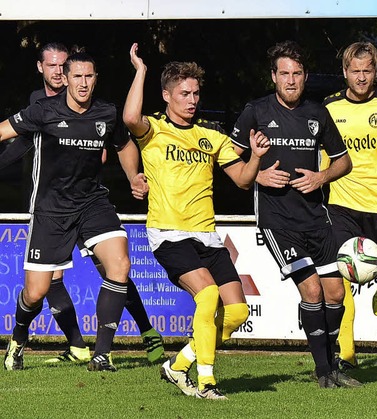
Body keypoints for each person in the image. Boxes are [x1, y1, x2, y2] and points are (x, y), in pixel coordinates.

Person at [0, 42, 164, 366]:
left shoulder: (106, 112)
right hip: (51, 210)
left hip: (92, 203)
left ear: (96, 78)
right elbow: (4, 131)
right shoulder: (44, 111)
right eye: (77, 76)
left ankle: (101, 354)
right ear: (66, 77)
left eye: (89, 76)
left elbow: (124, 144)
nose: (83, 83)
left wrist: (133, 176)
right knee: (35, 293)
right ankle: (18, 338)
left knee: (120, 264)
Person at [123, 43, 268, 400]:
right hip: (168, 234)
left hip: (207, 236)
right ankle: (206, 382)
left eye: (196, 93)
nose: (191, 100)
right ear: (167, 95)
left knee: (235, 312)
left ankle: (178, 365)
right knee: (207, 297)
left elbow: (243, 180)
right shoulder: (153, 130)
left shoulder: (211, 136)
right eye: (184, 93)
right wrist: (140, 70)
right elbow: (129, 119)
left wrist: (257, 157)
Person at [230, 41, 356, 388]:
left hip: (316, 218)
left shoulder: (317, 113)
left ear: (305, 77)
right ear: (273, 77)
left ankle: (333, 366)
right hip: (278, 221)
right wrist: (256, 174)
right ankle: (323, 372)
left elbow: (344, 160)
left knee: (336, 294)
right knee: (312, 290)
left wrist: (322, 176)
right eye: (284, 73)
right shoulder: (256, 111)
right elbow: (227, 158)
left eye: (296, 73)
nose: (290, 80)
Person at [322, 41, 377, 371]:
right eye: (355, 71)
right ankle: (347, 354)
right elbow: (323, 158)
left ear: (375, 72)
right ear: (345, 72)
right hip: (342, 204)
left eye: (367, 71)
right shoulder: (329, 106)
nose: (361, 77)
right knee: (342, 278)